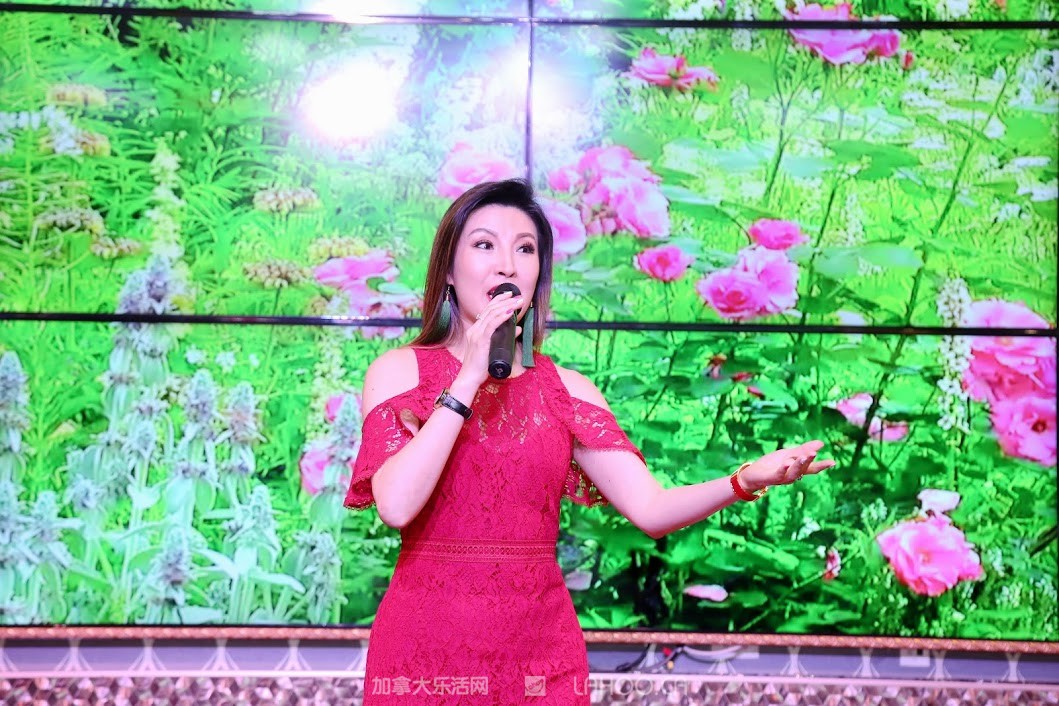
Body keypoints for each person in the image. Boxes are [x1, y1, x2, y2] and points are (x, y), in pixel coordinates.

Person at [344, 178, 834, 704]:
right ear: (448, 268)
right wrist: (468, 378)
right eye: (484, 244)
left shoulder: (567, 390)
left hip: (541, 661)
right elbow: (396, 504)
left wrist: (743, 481)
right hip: (425, 656)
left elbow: (651, 509)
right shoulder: (400, 372)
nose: (507, 265)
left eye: (525, 249)